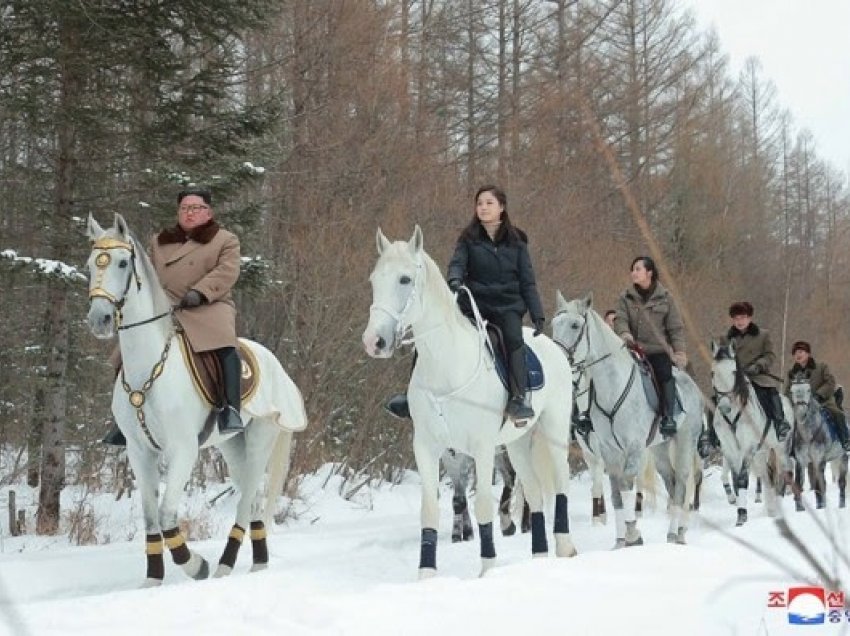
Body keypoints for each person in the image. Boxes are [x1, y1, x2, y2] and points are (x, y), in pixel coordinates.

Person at [384, 185, 546, 422]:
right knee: (432, 332)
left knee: (513, 339)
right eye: (479, 203)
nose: (483, 208)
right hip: (473, 303)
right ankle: (411, 397)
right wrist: (455, 279)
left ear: (501, 207)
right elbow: (457, 263)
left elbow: (527, 280)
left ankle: (519, 398)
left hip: (507, 305)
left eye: (489, 203)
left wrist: (537, 312)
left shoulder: (518, 242)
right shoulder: (468, 238)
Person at [102, 187, 244, 445]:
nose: (189, 214)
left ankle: (230, 410)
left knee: (225, 348)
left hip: (208, 307)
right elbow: (145, 273)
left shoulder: (225, 240)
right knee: (125, 352)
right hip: (163, 308)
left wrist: (200, 293)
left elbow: (227, 271)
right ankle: (124, 419)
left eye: (195, 208)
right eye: (184, 209)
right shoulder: (160, 241)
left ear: (208, 212)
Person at [612, 256, 687, 438]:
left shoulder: (666, 298)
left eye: (638, 269)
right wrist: (625, 334)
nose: (633, 273)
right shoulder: (625, 297)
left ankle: (668, 416)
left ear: (649, 273)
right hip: (632, 350)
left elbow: (675, 328)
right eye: (633, 269)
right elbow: (620, 319)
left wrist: (679, 352)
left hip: (657, 350)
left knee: (664, 373)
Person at [702, 302, 790, 452]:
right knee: (714, 400)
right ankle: (710, 435)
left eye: (743, 317)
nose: (740, 321)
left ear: (750, 318)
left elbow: (770, 355)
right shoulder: (725, 338)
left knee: (770, 393)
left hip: (756, 375)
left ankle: (780, 422)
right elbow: (720, 359)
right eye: (736, 318)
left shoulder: (763, 335)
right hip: (733, 379)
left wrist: (758, 365)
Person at [783, 340, 850, 452]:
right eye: (795, 353)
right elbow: (786, 391)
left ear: (808, 354)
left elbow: (830, 382)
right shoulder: (791, 373)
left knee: (838, 414)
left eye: (801, 351)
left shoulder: (821, 367)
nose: (798, 355)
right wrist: (794, 401)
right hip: (799, 405)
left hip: (823, 401)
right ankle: (790, 448)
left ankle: (845, 440)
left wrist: (819, 395)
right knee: (788, 421)